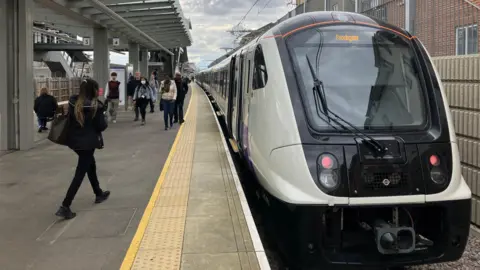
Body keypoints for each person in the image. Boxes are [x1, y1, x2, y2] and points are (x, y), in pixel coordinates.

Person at [55, 79, 110, 220]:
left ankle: (98, 193)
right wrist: (105, 117)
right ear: (93, 90)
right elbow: (101, 126)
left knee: (91, 165)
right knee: (80, 173)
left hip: (75, 143)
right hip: (88, 143)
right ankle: (65, 206)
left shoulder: (74, 102)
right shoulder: (96, 106)